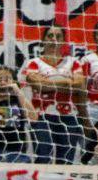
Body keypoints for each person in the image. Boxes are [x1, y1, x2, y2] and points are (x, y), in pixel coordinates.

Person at [18, 26, 84, 163]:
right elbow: (39, 85)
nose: (54, 40)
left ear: (64, 41)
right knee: (43, 154)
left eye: (58, 36)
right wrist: (66, 81)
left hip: (69, 116)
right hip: (42, 115)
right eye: (50, 36)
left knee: (66, 158)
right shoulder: (33, 63)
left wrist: (49, 83)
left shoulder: (74, 62)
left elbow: (78, 86)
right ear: (43, 40)